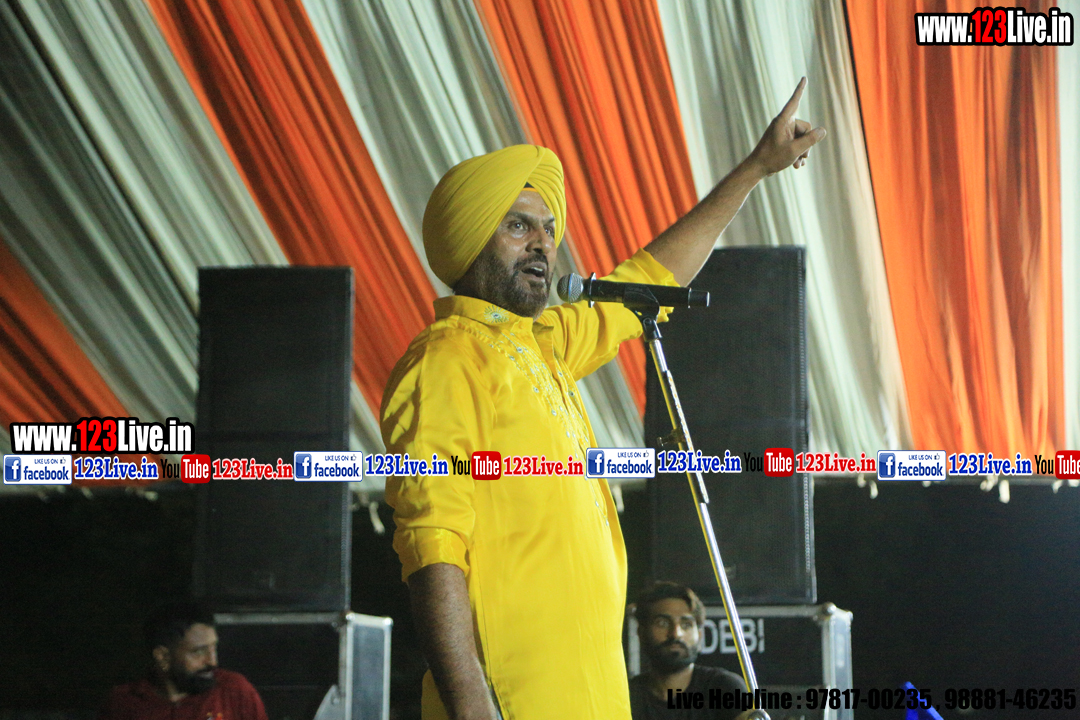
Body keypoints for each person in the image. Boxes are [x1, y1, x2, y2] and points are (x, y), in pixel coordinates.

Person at [382, 79, 824, 720]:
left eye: (548, 228)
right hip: (513, 701)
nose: (543, 243)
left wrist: (754, 170)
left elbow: (648, 280)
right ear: (471, 238)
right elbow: (433, 544)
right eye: (517, 226)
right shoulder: (447, 359)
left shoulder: (549, 348)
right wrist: (473, 707)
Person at [98, 601, 267, 720]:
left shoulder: (234, 691)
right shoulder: (123, 703)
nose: (212, 662)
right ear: (162, 656)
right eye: (198, 652)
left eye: (213, 648)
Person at [629, 582, 747, 720]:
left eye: (686, 624)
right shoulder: (627, 695)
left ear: (700, 635)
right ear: (641, 633)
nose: (676, 634)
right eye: (662, 623)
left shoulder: (725, 687)